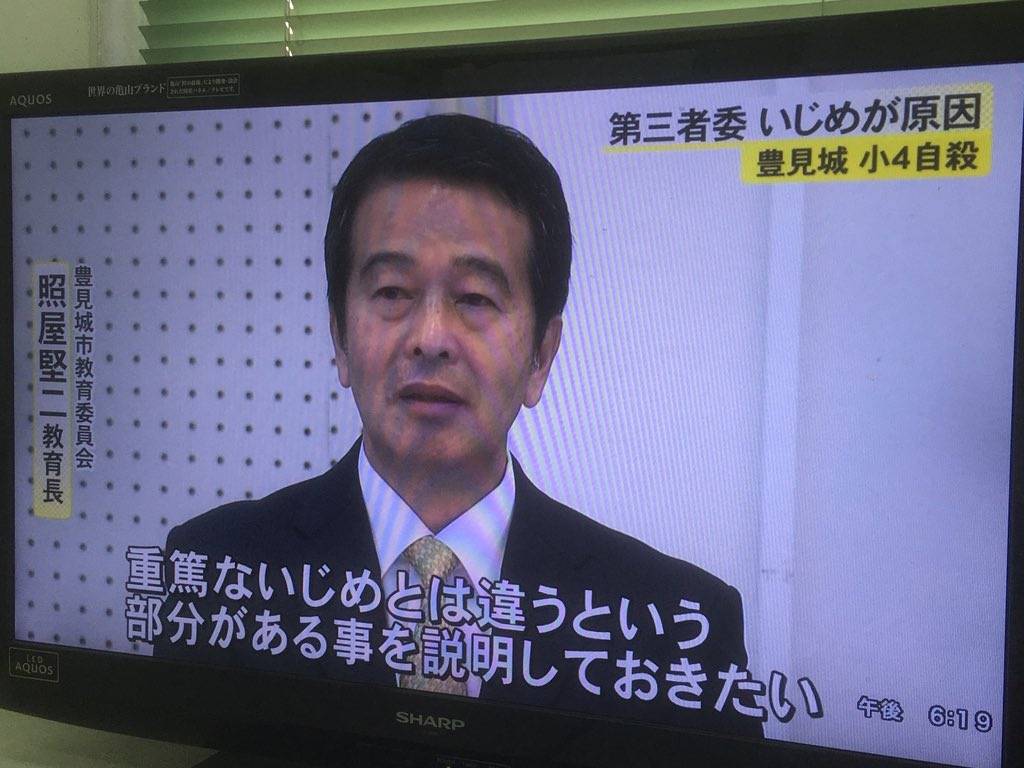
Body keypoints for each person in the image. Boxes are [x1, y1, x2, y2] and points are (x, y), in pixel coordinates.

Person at [155, 113, 763, 738]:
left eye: (474, 298)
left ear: (541, 356)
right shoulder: (214, 571)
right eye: (392, 291)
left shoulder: (680, 626)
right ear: (339, 337)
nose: (430, 338)